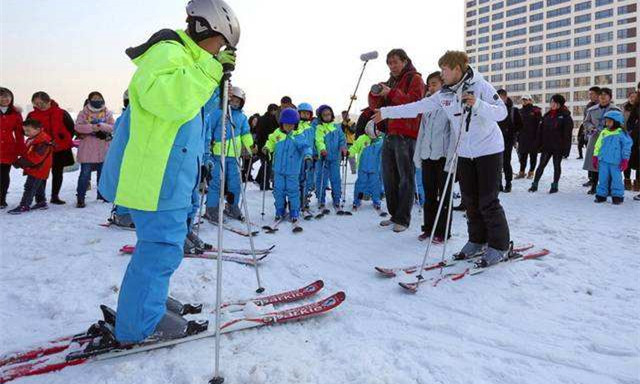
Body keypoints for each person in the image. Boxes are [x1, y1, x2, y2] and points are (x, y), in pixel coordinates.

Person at [98, 0, 238, 344]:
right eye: (220, 44)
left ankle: (149, 303)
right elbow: (166, 100)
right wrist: (210, 70)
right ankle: (139, 325)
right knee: (160, 247)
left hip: (167, 173)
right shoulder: (169, 51)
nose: (219, 53)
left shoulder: (185, 59)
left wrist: (215, 81)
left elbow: (187, 112)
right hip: (157, 175)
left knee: (161, 246)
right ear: (206, 29)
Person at [374, 50, 510, 267]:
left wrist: (477, 104)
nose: (442, 74)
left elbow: (502, 113)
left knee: (488, 200)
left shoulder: (480, 85)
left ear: (457, 69)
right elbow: (417, 107)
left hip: (488, 150)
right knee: (470, 200)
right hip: (464, 151)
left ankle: (499, 245)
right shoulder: (444, 94)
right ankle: (477, 240)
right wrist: (387, 112)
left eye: (444, 70)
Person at [368, 49, 425, 232]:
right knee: (389, 177)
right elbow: (375, 107)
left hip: (406, 135)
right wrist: (375, 94)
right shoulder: (390, 82)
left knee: (405, 178)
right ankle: (394, 215)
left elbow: (413, 103)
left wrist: (391, 92)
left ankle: (403, 218)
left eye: (395, 62)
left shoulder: (415, 79)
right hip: (390, 133)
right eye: (389, 63)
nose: (392, 66)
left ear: (405, 61)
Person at [413, 71, 455, 243]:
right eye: (429, 85)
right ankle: (428, 228)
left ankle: (443, 231)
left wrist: (451, 159)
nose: (431, 87)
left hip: (443, 158)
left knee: (444, 197)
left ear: (443, 85)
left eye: (434, 84)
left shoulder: (449, 106)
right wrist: (418, 155)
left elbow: (453, 133)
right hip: (427, 157)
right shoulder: (427, 109)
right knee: (429, 196)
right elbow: (421, 133)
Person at [205, 86, 255, 222]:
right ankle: (211, 209)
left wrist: (251, 147)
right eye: (232, 100)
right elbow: (209, 128)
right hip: (217, 155)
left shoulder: (242, 117)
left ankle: (232, 207)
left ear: (241, 103)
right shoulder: (218, 113)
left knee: (235, 183)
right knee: (216, 183)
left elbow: (245, 133)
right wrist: (208, 144)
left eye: (238, 101)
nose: (234, 103)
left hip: (234, 156)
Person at [262, 108, 310, 222]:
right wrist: (267, 148)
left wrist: (308, 155)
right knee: (278, 191)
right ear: (281, 124)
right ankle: (280, 210)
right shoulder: (277, 134)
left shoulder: (298, 135)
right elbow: (271, 142)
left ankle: (294, 210)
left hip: (292, 171)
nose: (288, 127)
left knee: (293, 191)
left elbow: (305, 146)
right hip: (278, 169)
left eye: (291, 125)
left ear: (296, 124)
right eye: (286, 124)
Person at [27, 91, 75, 204]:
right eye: (36, 103)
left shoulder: (61, 113)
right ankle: (40, 197)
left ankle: (55, 196)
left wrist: (63, 140)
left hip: (59, 148)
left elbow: (71, 128)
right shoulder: (32, 115)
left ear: (49, 101)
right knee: (40, 173)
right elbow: (27, 131)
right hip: (41, 149)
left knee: (57, 173)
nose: (39, 106)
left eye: (42, 103)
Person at [74, 91, 115, 208]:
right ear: (89, 100)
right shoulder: (83, 113)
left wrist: (101, 126)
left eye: (99, 98)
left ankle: (101, 196)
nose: (97, 100)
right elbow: (77, 126)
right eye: (94, 98)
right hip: (87, 149)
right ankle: (80, 198)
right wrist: (92, 128)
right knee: (84, 175)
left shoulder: (107, 113)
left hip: (103, 149)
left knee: (102, 175)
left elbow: (113, 126)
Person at [528, 94, 573, 194]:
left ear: (559, 104)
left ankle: (555, 185)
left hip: (558, 147)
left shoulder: (565, 117)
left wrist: (566, 149)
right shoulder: (547, 115)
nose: (551, 104)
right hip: (547, 146)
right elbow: (540, 131)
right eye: (551, 102)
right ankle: (534, 184)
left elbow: (567, 135)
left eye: (554, 102)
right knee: (541, 165)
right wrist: (538, 144)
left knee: (556, 165)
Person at [8, 119, 53, 214]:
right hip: (35, 168)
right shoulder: (33, 138)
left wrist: (19, 162)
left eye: (28, 130)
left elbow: (35, 158)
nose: (26, 133)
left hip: (38, 168)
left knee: (30, 186)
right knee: (38, 185)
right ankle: (41, 202)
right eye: (25, 130)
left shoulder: (43, 142)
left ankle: (24, 205)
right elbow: (27, 152)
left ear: (37, 129)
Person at [582, 88, 620, 194]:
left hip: (610, 141)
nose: (602, 97)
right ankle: (594, 186)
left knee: (607, 164)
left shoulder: (615, 110)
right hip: (595, 140)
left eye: (605, 95)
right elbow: (586, 122)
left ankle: (608, 187)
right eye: (601, 95)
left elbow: (620, 125)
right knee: (594, 164)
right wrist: (591, 128)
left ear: (610, 97)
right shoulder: (591, 110)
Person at [593, 110, 633, 204]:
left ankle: (617, 196)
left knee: (616, 180)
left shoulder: (621, 134)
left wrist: (625, 159)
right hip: (603, 161)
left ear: (617, 122)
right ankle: (601, 195)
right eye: (606, 121)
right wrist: (595, 156)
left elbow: (626, 147)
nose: (607, 123)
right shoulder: (604, 132)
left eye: (610, 121)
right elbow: (598, 145)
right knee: (602, 179)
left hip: (616, 162)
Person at [315, 105, 347, 210]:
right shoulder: (319, 128)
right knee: (322, 179)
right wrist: (322, 149)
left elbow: (342, 139)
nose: (327, 117)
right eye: (324, 115)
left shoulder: (336, 127)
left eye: (328, 114)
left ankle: (336, 199)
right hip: (323, 159)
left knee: (335, 179)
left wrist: (343, 147)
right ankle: (321, 199)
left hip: (335, 158)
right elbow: (319, 140)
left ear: (332, 115)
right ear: (321, 116)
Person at [350, 120, 384, 212]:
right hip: (363, 168)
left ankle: (376, 201)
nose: (377, 131)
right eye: (376, 129)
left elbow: (385, 151)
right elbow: (354, 147)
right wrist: (350, 153)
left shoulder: (381, 141)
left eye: (378, 129)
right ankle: (357, 200)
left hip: (375, 168)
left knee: (375, 185)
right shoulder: (362, 138)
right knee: (360, 184)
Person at [0, 87, 25, 209]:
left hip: (8, 148)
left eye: (8, 96)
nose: (5, 99)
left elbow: (20, 133)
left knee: (4, 174)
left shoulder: (15, 113)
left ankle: (1, 199)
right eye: (2, 96)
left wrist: (21, 150)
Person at [496, 89, 522, 192]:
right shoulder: (495, 109)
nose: (499, 100)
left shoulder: (513, 110)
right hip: (496, 141)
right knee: (497, 163)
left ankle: (508, 183)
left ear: (505, 97)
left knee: (506, 162)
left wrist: (511, 132)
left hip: (507, 140)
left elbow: (520, 125)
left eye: (501, 97)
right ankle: (498, 184)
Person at [514, 94, 541, 179]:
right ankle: (522, 172)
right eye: (523, 99)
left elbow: (539, 125)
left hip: (533, 138)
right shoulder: (520, 111)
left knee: (533, 156)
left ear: (530, 100)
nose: (524, 101)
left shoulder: (536, 110)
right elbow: (517, 125)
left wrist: (539, 138)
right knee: (523, 157)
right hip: (523, 138)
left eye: (526, 99)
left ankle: (531, 172)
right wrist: (517, 137)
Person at [296, 102, 316, 212]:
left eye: (307, 114)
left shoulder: (311, 128)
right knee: (298, 178)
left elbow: (314, 141)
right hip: (298, 157)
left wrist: (315, 153)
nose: (305, 116)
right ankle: (296, 200)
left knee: (308, 178)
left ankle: (305, 198)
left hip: (309, 157)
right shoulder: (295, 126)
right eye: (303, 113)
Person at [255, 104, 279, 190]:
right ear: (272, 110)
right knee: (267, 165)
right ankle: (264, 184)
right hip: (268, 145)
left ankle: (261, 181)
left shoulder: (261, 118)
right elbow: (274, 132)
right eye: (275, 110)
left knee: (264, 164)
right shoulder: (272, 120)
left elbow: (257, 131)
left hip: (261, 144)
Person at [622, 91, 638, 190]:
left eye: (635, 97)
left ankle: (637, 182)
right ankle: (627, 181)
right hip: (626, 137)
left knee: (637, 160)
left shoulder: (638, 108)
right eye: (631, 96)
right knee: (626, 159)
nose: (633, 99)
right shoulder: (624, 109)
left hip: (637, 138)